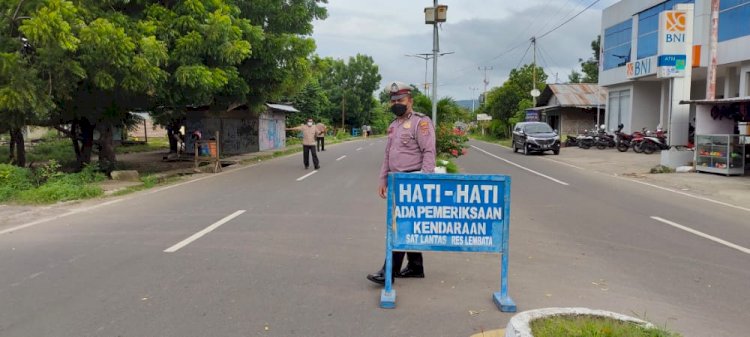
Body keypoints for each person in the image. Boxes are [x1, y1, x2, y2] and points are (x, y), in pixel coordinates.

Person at [366, 81, 436, 285]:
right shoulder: (394, 125)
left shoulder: (420, 123)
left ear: (410, 101)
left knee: (401, 225)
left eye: (401, 100)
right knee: (409, 224)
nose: (397, 103)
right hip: (397, 181)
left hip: (413, 181)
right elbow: (389, 154)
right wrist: (383, 178)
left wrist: (425, 181)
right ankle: (415, 266)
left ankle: (388, 270)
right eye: (393, 100)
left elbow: (429, 151)